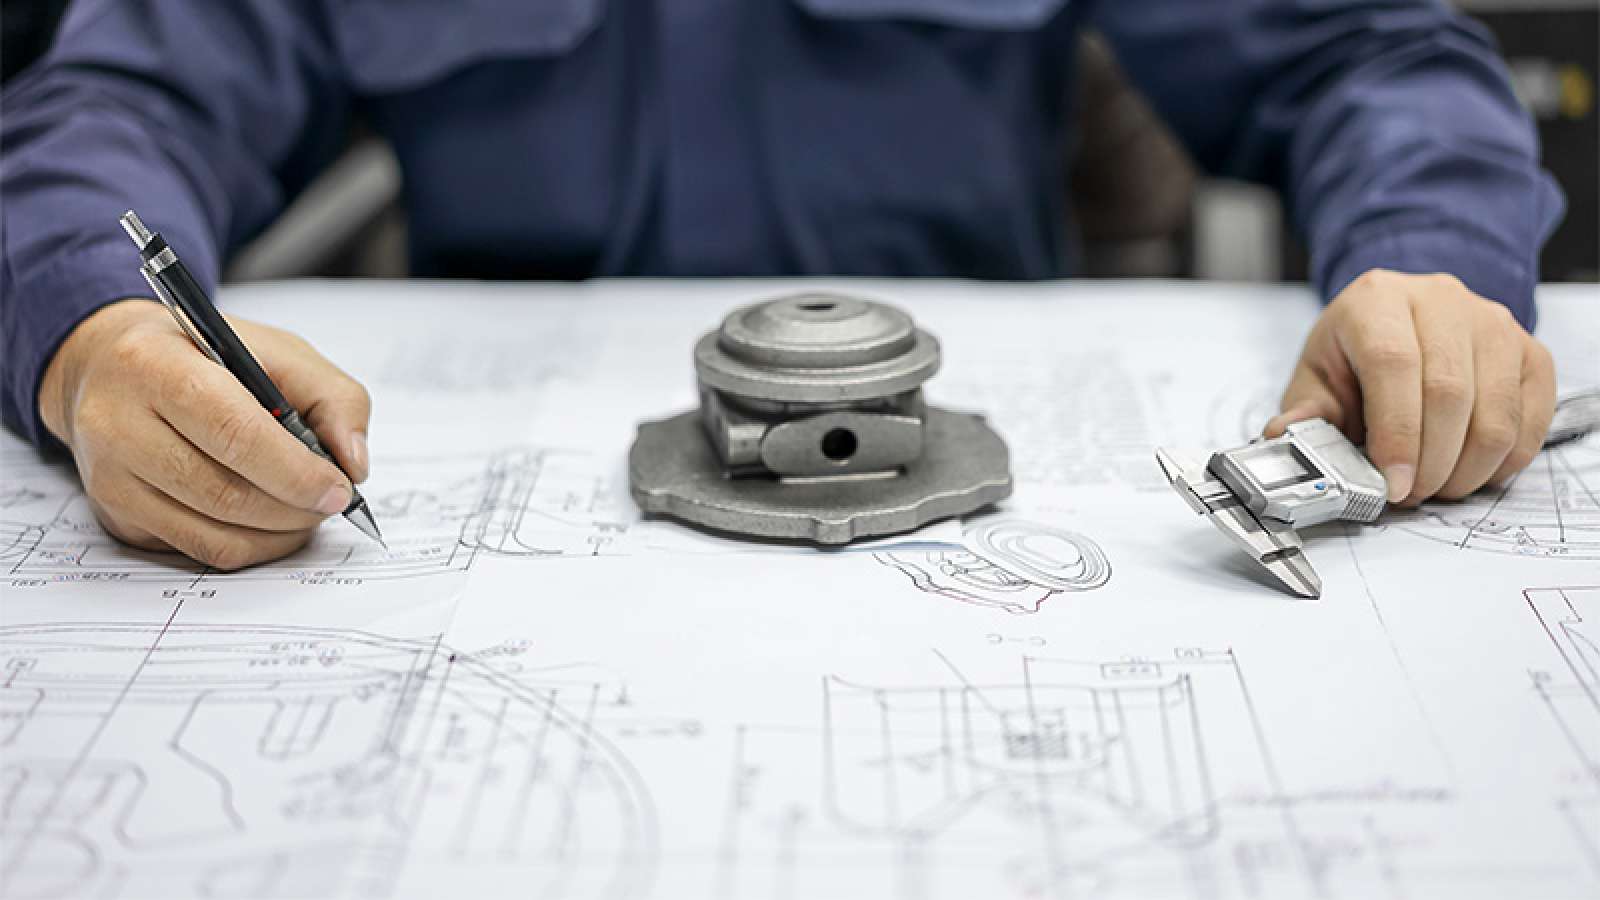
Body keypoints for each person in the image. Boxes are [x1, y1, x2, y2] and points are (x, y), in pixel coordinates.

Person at [0, 1, 1564, 570]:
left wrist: (1430, 263)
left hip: (990, 550)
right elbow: (111, 111)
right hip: (532, 548)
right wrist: (97, 333)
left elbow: (1368, 50)